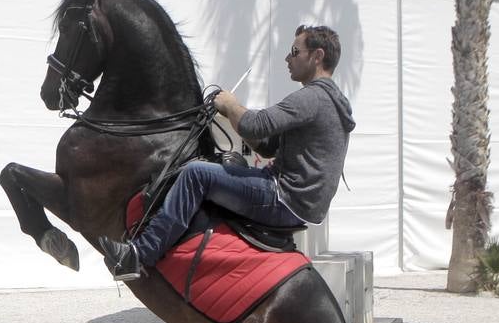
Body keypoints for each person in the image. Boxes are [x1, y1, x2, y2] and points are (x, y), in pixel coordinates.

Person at [100, 24, 356, 280]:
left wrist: (230, 104)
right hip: (300, 204)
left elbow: (257, 124)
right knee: (226, 164)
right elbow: (267, 146)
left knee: (195, 174)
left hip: (283, 198)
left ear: (317, 56)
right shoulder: (330, 102)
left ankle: (139, 255)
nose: (287, 58)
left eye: (294, 51)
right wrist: (237, 119)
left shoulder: (312, 97)